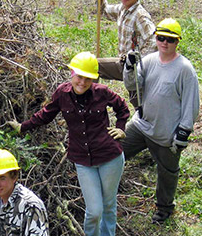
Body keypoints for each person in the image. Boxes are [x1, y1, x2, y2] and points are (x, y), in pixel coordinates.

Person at [9, 52, 130, 236]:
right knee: (94, 211)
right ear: (72, 73)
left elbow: (122, 107)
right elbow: (45, 115)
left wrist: (121, 128)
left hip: (110, 157)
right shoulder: (62, 94)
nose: (82, 82)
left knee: (108, 206)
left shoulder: (102, 92)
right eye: (79, 77)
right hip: (82, 160)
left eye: (88, 79)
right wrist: (22, 127)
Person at [122, 18, 200, 223]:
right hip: (142, 125)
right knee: (115, 152)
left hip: (167, 133)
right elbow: (133, 85)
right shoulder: (148, 61)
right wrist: (129, 68)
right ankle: (106, 188)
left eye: (171, 40)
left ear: (178, 42)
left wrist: (183, 131)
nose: (165, 43)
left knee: (168, 173)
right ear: (156, 38)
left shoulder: (185, 69)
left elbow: (191, 103)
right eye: (161, 38)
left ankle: (165, 208)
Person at [92, 0, 157, 107]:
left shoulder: (140, 15)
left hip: (133, 67)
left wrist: (138, 62)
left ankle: (147, 121)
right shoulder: (123, 9)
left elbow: (153, 40)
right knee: (93, 66)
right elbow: (103, 10)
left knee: (140, 105)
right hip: (123, 64)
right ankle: (90, 106)